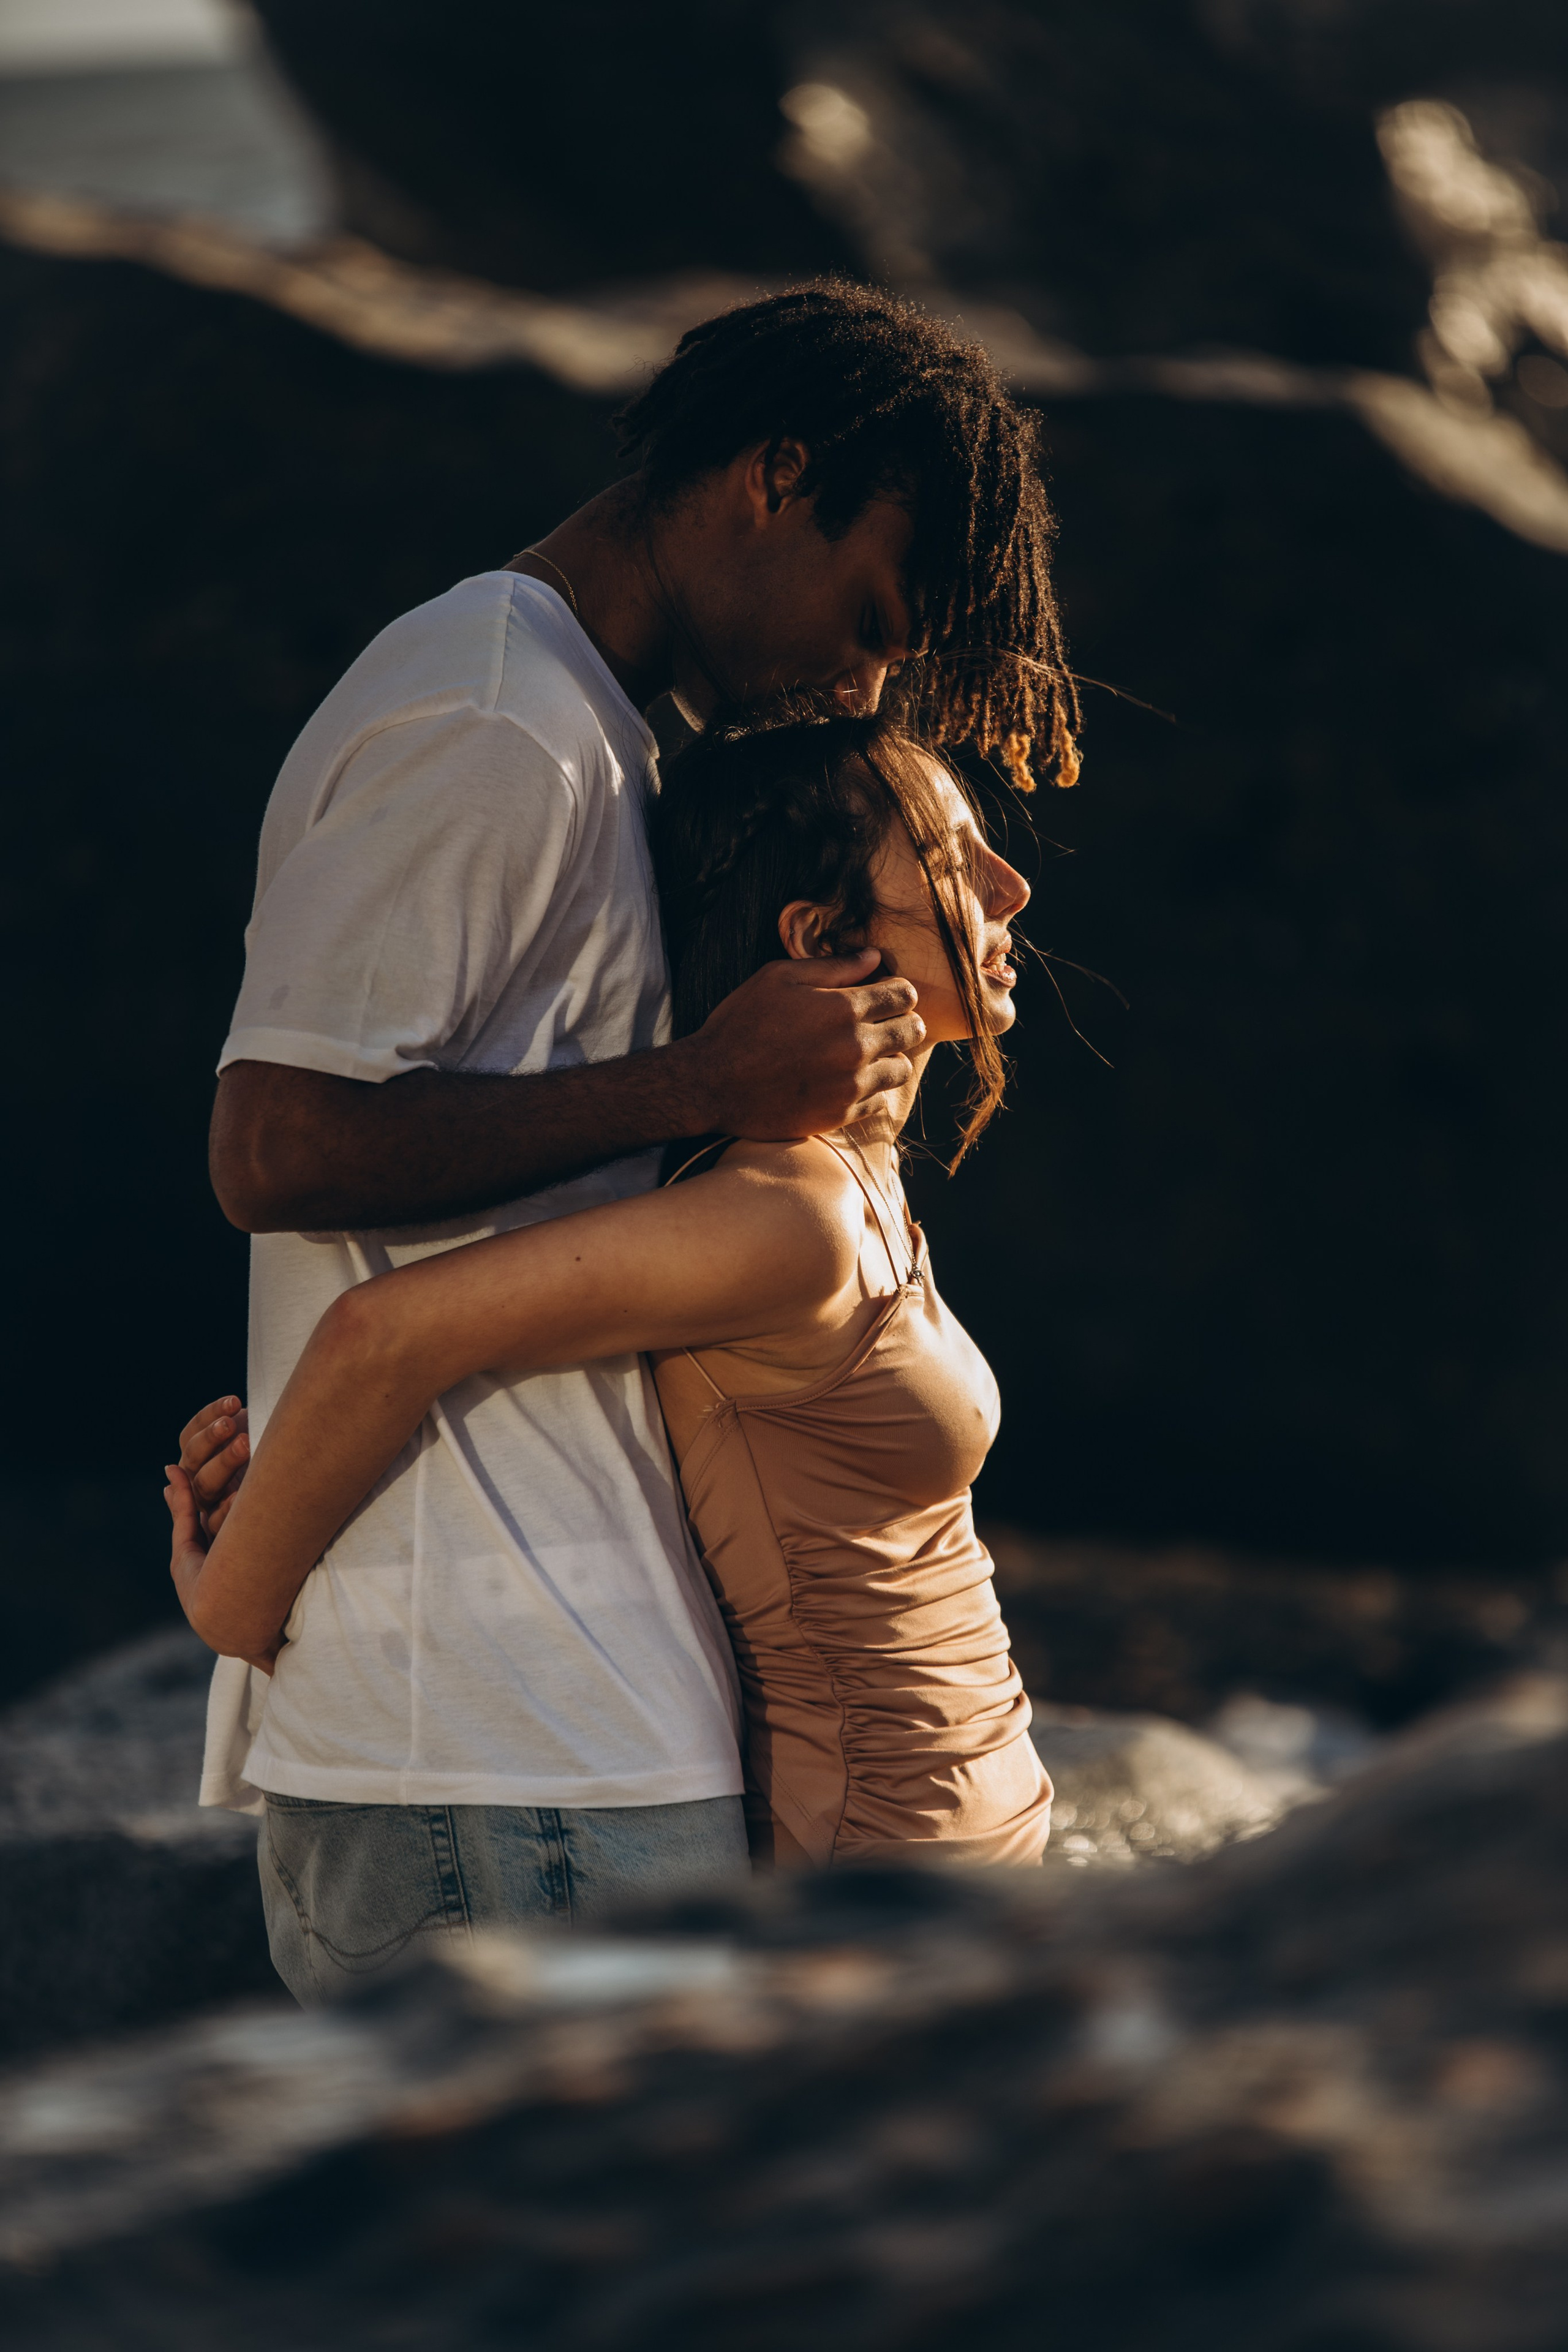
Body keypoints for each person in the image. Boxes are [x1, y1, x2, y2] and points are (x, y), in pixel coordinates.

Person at [175, 282, 1080, 1989]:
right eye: (876, 610)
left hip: (553, 1738)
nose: (869, 676)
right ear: (772, 477)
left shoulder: (592, 732)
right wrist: (698, 1088)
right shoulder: (495, 717)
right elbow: (274, 1150)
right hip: (504, 1761)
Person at [169, 710, 1052, 1936]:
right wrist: (229, 1608)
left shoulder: (850, 1181)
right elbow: (386, 1334)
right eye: (952, 863)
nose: (1009, 883)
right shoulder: (781, 1216)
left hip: (958, 1855)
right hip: (866, 1887)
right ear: (820, 938)